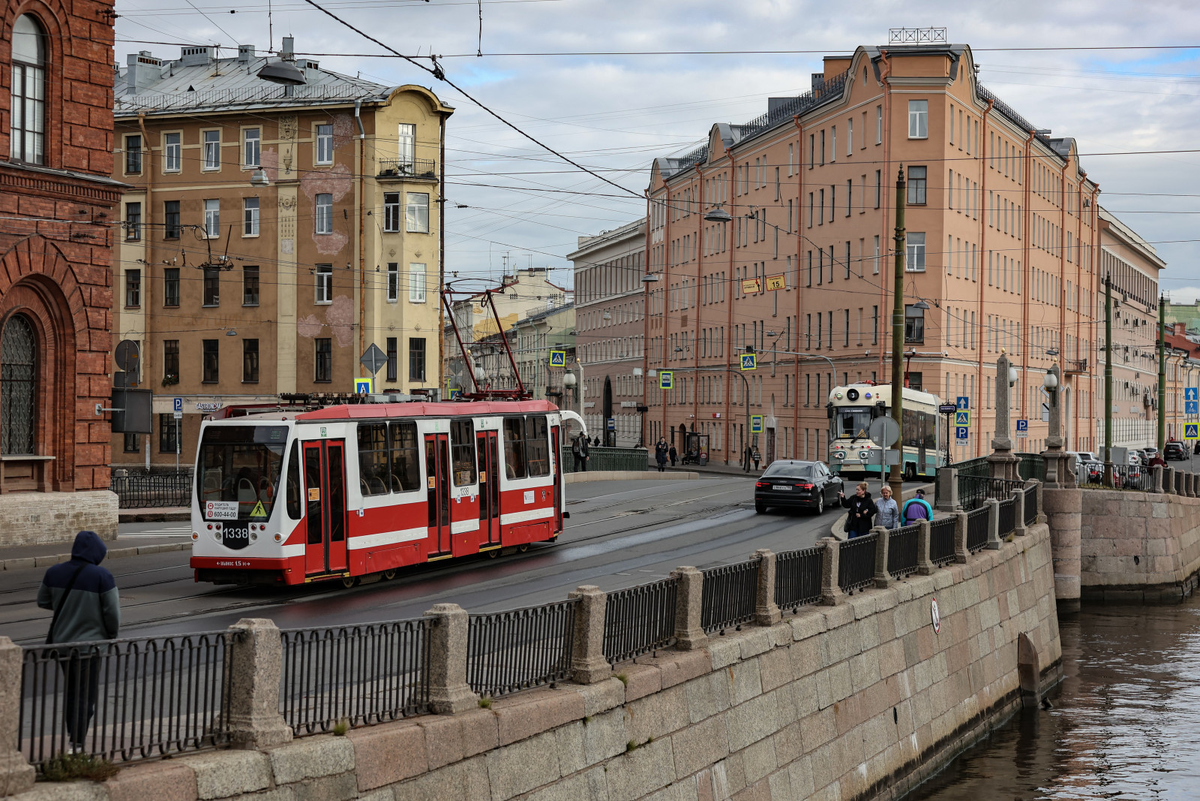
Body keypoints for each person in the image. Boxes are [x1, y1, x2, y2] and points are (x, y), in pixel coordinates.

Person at [37, 531, 121, 753]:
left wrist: (70, 609)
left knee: (72, 693)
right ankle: (77, 744)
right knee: (86, 696)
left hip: (62, 645)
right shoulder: (103, 577)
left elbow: (43, 601)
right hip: (89, 647)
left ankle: (72, 738)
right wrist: (110, 635)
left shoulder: (53, 572)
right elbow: (112, 613)